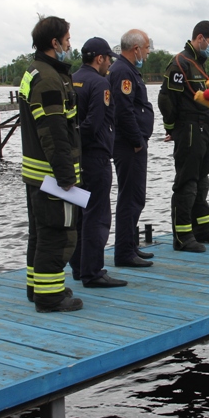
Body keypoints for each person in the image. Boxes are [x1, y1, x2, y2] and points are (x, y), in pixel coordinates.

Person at [18, 15, 83, 312]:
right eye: (67, 40)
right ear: (54, 42)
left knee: (40, 233)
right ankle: (50, 297)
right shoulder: (48, 78)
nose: (70, 45)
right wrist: (66, 176)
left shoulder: (34, 71)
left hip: (36, 173)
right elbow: (54, 132)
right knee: (59, 233)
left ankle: (39, 287)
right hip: (52, 174)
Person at [158, 20, 209, 252]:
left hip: (205, 127)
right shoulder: (180, 63)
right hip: (188, 128)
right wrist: (172, 128)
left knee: (202, 179)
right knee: (187, 182)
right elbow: (166, 99)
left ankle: (202, 228)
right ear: (199, 38)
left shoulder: (199, 63)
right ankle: (183, 236)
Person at [69, 37, 128, 288]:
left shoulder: (70, 80)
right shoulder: (100, 83)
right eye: (107, 60)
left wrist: (72, 143)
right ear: (100, 58)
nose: (108, 65)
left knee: (78, 215)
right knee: (97, 215)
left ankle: (78, 267)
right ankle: (93, 272)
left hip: (74, 159)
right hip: (96, 158)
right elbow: (94, 123)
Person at [109, 29, 155, 268]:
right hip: (129, 146)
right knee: (130, 197)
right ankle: (124, 252)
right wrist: (138, 141)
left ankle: (130, 245)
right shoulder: (123, 72)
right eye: (146, 48)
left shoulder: (128, 70)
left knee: (136, 196)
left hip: (133, 143)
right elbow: (123, 111)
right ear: (136, 48)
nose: (147, 53)